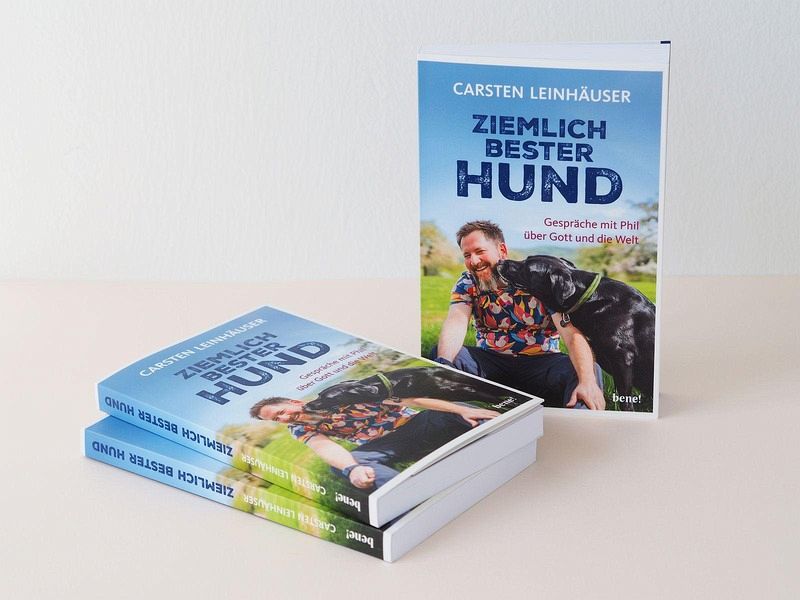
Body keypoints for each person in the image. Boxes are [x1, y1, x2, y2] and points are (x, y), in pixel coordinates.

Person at [432, 220, 606, 410]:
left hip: (541, 365)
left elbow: (571, 334)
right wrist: (444, 365)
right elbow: (456, 321)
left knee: (587, 371)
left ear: (502, 250)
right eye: (467, 255)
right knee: (443, 357)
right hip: (490, 366)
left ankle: (579, 422)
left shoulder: (537, 279)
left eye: (480, 251)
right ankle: (459, 419)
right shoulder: (467, 282)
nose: (473, 261)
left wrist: (587, 381)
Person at [250, 392, 499, 490]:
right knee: (347, 465)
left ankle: (498, 439)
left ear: (293, 402)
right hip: (389, 446)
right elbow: (323, 446)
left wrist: (459, 409)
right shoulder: (298, 427)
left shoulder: (340, 395)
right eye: (277, 419)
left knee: (457, 410)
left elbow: (411, 400)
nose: (284, 418)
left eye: (282, 411)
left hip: (416, 424)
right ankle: (412, 495)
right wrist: (352, 469)